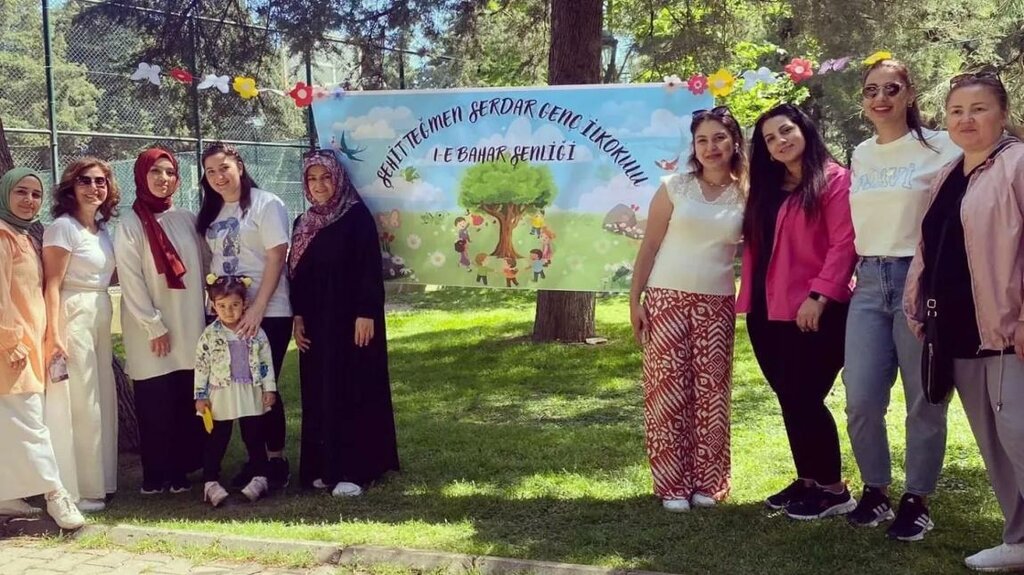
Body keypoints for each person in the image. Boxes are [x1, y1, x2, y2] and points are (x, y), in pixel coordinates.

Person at [904, 70, 1024, 572]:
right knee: (995, 446)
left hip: (1008, 333)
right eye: (956, 111)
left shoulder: (1017, 163)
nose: (966, 119)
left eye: (978, 109)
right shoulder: (948, 174)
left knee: (1019, 433)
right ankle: (1018, 539)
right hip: (958, 333)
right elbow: (930, 247)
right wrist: (916, 303)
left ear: (1002, 113)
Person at [843, 59, 961, 541]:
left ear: (910, 93)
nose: (881, 98)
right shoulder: (861, 154)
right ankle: (875, 490)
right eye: (871, 90)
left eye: (891, 88)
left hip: (920, 280)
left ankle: (917, 499)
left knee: (924, 397)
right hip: (869, 281)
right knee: (861, 398)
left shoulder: (943, 145)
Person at [736, 103, 858, 520]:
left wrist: (820, 296)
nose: (780, 141)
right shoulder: (767, 188)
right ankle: (808, 479)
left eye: (785, 131)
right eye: (770, 138)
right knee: (789, 397)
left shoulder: (835, 180)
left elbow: (844, 243)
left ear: (804, 129)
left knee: (805, 397)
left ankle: (834, 490)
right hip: (766, 310)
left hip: (814, 311)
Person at [629, 106, 747, 512]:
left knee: (712, 393)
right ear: (693, 147)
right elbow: (649, 246)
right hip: (666, 298)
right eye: (702, 140)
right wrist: (635, 301)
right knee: (667, 392)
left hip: (716, 303)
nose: (711, 147)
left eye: (719, 138)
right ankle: (672, 485)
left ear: (734, 142)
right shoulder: (673, 187)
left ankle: (708, 482)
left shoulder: (748, 193)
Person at [290, 149, 399, 497]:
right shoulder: (304, 223)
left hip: (352, 321)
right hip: (316, 323)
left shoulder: (356, 217)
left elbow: (369, 269)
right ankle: (325, 467)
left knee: (352, 389)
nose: (319, 185)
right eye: (312, 178)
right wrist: (298, 316)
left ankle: (355, 470)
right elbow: (298, 276)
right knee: (320, 390)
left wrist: (367, 312)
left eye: (326, 177)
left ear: (338, 179)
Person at [196, 143, 291, 489]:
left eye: (224, 168)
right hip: (226, 314)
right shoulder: (212, 211)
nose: (218, 177)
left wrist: (259, 307)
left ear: (239, 164)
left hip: (267, 311)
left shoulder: (266, 204)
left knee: (264, 383)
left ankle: (275, 459)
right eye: (210, 171)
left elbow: (277, 256)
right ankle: (256, 461)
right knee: (234, 385)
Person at [113, 149, 206, 495]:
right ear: (141, 176)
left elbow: (205, 265)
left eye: (169, 172)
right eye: (155, 171)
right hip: (149, 329)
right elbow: (131, 280)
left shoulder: (187, 219)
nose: (163, 179)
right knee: (154, 401)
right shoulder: (130, 224)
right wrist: (154, 325)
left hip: (188, 320)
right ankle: (155, 474)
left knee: (184, 397)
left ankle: (182, 470)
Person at [0, 167, 85, 529]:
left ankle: (6, 495)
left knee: (12, 422)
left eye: (36, 194)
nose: (29, 200)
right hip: (12, 350)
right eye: (21, 192)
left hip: (27, 347)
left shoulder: (21, 235)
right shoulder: (3, 236)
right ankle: (55, 494)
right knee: (31, 423)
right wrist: (8, 340)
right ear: (5, 194)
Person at [42, 157, 120, 512]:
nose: (94, 187)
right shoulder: (63, 228)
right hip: (72, 314)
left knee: (100, 396)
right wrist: (55, 335)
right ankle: (79, 488)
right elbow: (52, 285)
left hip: (100, 313)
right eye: (85, 181)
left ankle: (101, 481)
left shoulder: (101, 231)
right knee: (80, 401)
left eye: (100, 181)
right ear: (71, 187)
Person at [194, 275, 277, 507]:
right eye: (222, 306)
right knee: (218, 437)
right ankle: (210, 482)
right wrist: (200, 395)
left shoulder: (255, 331)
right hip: (221, 393)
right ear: (213, 306)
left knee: (254, 434)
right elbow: (201, 366)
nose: (228, 311)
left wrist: (269, 387)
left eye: (234, 305)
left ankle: (260, 477)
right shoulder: (210, 335)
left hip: (250, 391)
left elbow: (265, 361)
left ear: (245, 304)